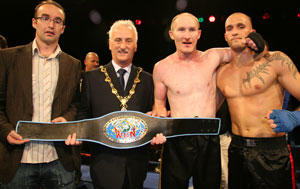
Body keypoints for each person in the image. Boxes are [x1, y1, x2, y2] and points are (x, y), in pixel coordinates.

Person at [151, 12, 261, 189]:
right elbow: (159, 106)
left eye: (192, 30)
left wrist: (251, 38)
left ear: (199, 34)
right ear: (172, 34)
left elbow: (249, 49)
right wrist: (157, 129)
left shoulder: (213, 57)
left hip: (209, 136)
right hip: (177, 137)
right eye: (181, 30)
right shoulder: (161, 67)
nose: (187, 36)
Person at [68, 20, 165, 189]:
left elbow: (153, 117)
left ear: (135, 45)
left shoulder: (148, 80)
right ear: (109, 44)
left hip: (137, 168)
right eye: (118, 40)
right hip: (103, 165)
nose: (123, 46)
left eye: (128, 41)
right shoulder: (91, 79)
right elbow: (83, 115)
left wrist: (156, 132)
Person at [0, 1, 81, 188]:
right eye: (45, 18)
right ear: (34, 22)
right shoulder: (8, 58)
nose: (51, 25)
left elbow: (76, 104)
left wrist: (67, 118)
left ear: (63, 28)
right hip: (18, 160)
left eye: (57, 21)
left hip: (59, 160)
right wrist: (6, 132)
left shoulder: (73, 64)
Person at [216, 12, 299, 188]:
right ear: (225, 36)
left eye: (241, 27)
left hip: (272, 152)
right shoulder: (221, 73)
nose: (235, 32)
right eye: (230, 28)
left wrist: (295, 117)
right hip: (236, 149)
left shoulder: (276, 60)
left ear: (252, 32)